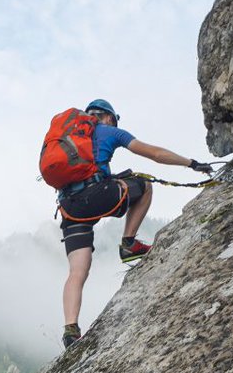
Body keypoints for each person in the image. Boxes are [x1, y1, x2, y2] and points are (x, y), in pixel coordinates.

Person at [58, 98, 213, 349]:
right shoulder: (110, 131)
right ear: (108, 117)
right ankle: (128, 243)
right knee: (144, 184)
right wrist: (191, 163)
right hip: (97, 196)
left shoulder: (69, 139)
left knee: (77, 271)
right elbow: (155, 154)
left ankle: (70, 330)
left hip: (69, 207)